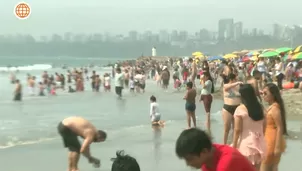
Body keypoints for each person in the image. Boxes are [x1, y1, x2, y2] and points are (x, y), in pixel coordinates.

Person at [175, 128, 256, 171]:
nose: (188, 164)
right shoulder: (207, 158)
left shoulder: (227, 162)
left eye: (190, 159)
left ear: (204, 151)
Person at [232, 84, 266, 170]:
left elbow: (237, 130)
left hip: (245, 145)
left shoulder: (240, 109)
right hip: (260, 144)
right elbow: (264, 126)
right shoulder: (260, 108)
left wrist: (234, 147)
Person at [261, 83, 287, 171]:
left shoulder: (275, 109)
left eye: (265, 93)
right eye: (262, 93)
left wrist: (277, 147)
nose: (263, 96)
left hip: (272, 142)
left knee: (266, 167)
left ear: (273, 94)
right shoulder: (272, 107)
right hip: (269, 140)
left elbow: (280, 127)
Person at [222, 73, 242, 144]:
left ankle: (234, 143)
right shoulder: (226, 85)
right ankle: (224, 143)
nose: (236, 80)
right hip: (228, 108)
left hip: (237, 107)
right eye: (235, 79)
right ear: (232, 79)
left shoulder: (238, 87)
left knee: (236, 128)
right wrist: (237, 83)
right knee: (227, 128)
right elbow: (227, 87)